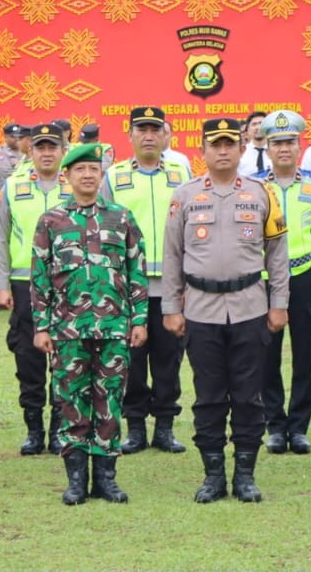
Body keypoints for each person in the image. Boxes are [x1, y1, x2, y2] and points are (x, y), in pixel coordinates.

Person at [161, 118, 290, 504]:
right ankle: (213, 474)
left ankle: (245, 475)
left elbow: (277, 255)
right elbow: (172, 256)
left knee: (250, 395)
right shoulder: (184, 196)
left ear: (242, 148)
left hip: (250, 305)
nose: (222, 151)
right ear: (202, 150)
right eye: (214, 144)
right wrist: (171, 306)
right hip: (200, 309)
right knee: (209, 395)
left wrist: (279, 303)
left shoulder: (262, 193)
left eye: (229, 144)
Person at [33, 143, 148, 505]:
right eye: (79, 169)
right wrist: (40, 327)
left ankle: (106, 478)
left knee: (109, 400)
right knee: (71, 401)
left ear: (101, 175)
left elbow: (136, 271)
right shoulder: (51, 221)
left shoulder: (122, 217)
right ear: (66, 176)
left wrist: (140, 319)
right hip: (67, 330)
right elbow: (39, 278)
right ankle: (76, 479)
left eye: (93, 169)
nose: (86, 175)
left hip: (114, 327)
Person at [100, 107, 191, 455]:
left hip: (170, 284)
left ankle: (165, 427)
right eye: (142, 129)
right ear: (130, 134)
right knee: (133, 361)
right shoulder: (115, 176)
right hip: (129, 286)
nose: (149, 135)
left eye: (155, 129)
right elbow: (104, 230)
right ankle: (135, 427)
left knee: (169, 360)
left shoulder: (181, 173)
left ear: (166, 134)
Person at [259, 110, 311, 456]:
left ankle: (299, 427)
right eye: (277, 143)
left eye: (290, 142)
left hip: (305, 277)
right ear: (267, 148)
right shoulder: (256, 186)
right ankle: (275, 426)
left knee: (305, 356)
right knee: (266, 356)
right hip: (264, 280)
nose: (284, 149)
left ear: (300, 145)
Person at [0, 124, 72, 455]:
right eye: (40, 147)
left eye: (52, 146)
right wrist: (0, 285)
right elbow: (0, 238)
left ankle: (58, 427)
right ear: (31, 151)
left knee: (66, 356)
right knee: (28, 356)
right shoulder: (12, 187)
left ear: (62, 150)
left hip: (69, 283)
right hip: (25, 283)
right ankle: (33, 428)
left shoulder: (77, 186)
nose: (46, 152)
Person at [236, 110, 269, 177]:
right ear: (247, 130)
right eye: (254, 124)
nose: (258, 127)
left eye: (261, 123)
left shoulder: (276, 151)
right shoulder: (240, 152)